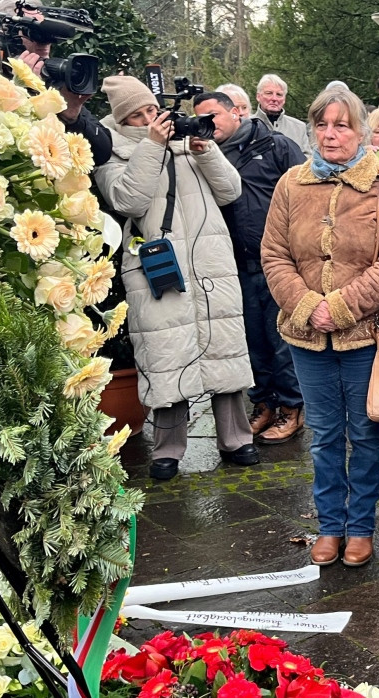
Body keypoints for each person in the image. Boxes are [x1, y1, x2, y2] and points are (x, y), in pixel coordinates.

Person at [261, 88, 379, 568]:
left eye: (342, 125)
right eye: (323, 124)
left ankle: (360, 527)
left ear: (361, 131)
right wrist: (306, 305)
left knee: (364, 432)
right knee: (323, 434)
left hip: (367, 335)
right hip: (305, 337)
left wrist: (340, 308)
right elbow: (274, 254)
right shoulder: (291, 184)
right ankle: (329, 524)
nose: (331, 134)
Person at [93, 76, 259, 481]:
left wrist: (206, 152)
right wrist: (152, 145)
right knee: (166, 354)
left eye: (153, 110)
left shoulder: (188, 144)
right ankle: (168, 449)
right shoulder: (111, 153)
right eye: (139, 114)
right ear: (122, 119)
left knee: (224, 349)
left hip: (209, 262)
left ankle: (236, 439)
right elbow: (128, 199)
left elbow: (230, 191)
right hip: (157, 269)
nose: (152, 118)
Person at [193, 91, 308, 445]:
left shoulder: (276, 146)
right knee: (250, 341)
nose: (207, 125)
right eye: (201, 118)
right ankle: (263, 404)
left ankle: (292, 408)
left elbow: (304, 197)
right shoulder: (206, 155)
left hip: (277, 262)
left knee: (281, 341)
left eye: (213, 116)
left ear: (236, 113)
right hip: (234, 264)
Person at [0, 0, 112, 167]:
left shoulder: (53, 81)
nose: (45, 41)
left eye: (48, 29)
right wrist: (23, 90)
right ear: (4, 33)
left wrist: (72, 117)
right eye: (34, 31)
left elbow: (102, 153)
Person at [254, 74, 310, 151]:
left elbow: (308, 160)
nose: (274, 98)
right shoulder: (245, 125)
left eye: (279, 94)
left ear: (284, 99)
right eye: (269, 93)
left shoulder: (299, 127)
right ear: (258, 96)